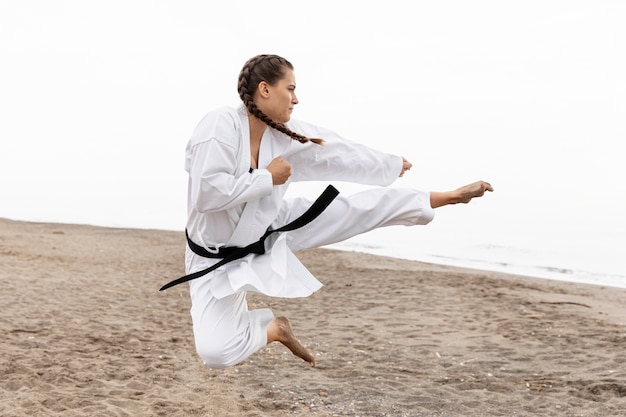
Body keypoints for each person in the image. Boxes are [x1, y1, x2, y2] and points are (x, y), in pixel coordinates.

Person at [162, 54, 493, 369]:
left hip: (268, 228)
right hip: (210, 258)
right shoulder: (219, 125)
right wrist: (268, 178)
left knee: (350, 213)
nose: (295, 98)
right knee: (215, 352)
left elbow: (334, 151)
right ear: (265, 89)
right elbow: (208, 193)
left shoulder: (284, 136)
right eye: (289, 88)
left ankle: (444, 197)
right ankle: (273, 329)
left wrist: (387, 165)